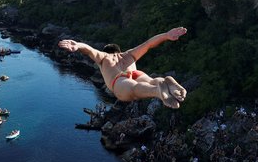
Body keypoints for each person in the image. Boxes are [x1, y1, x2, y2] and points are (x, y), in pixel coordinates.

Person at [58, 27, 188, 109]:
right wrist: (166, 35)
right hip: (136, 73)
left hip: (119, 80)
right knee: (151, 81)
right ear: (118, 50)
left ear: (106, 51)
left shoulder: (103, 58)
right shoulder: (129, 54)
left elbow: (89, 50)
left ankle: (158, 92)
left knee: (133, 90)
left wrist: (78, 45)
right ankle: (164, 82)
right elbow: (148, 44)